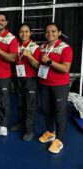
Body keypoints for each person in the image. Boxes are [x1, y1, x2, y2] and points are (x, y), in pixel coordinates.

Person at [38, 23, 73, 153]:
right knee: (46, 110)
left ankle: (59, 140)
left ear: (59, 33)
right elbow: (37, 64)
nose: (50, 34)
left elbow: (65, 68)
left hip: (59, 86)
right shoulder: (42, 47)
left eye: (53, 31)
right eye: (47, 32)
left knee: (59, 113)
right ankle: (50, 132)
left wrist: (49, 61)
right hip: (44, 84)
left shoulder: (65, 48)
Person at [11, 23, 40, 141]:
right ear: (18, 33)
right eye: (21, 32)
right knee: (20, 102)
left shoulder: (35, 47)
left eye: (26, 31)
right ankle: (20, 123)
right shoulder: (16, 46)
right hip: (18, 78)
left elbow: (38, 66)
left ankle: (29, 130)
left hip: (31, 79)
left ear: (30, 33)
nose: (24, 34)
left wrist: (29, 56)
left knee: (30, 105)